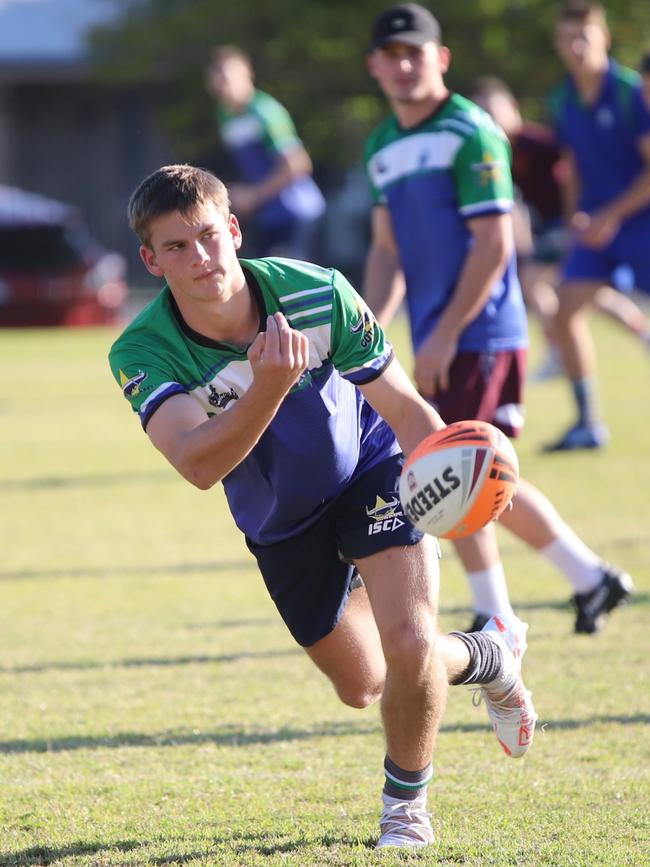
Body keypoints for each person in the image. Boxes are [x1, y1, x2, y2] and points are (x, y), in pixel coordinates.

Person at [109, 163, 538, 850]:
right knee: (365, 682)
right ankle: (485, 655)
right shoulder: (142, 349)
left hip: (368, 467)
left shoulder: (316, 291)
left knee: (407, 642)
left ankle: (404, 808)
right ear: (150, 260)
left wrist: (458, 483)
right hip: (278, 520)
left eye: (209, 236)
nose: (201, 258)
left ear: (235, 230)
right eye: (177, 247)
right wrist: (269, 384)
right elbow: (196, 462)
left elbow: (405, 408)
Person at [363, 4, 633, 634]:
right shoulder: (381, 145)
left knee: (454, 468)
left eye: (416, 52)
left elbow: (494, 245)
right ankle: (590, 578)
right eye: (391, 54)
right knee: (481, 471)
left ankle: (497, 614)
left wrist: (447, 334)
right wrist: (371, 331)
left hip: (480, 333)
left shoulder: (471, 130)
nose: (404, 65)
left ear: (442, 58)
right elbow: (384, 249)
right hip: (437, 334)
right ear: (374, 65)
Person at [470, 75, 650, 383]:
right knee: (588, 293)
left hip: (573, 223)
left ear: (512, 107)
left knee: (534, 281)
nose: (491, 121)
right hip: (559, 228)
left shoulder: (539, 143)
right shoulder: (494, 152)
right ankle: (641, 331)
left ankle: (556, 349)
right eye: (482, 115)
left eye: (494, 111)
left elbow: (575, 166)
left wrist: (577, 215)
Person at [546, 1, 650, 451]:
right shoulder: (562, 99)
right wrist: (576, 218)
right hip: (595, 229)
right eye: (568, 38)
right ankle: (588, 423)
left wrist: (612, 215)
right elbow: (572, 167)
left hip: (640, 220)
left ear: (604, 38)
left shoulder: (632, 92)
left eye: (584, 37)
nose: (576, 47)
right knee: (564, 313)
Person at [205, 45, 325, 260]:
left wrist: (253, 195)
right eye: (215, 77)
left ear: (247, 74)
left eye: (226, 76)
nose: (221, 83)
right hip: (266, 216)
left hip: (294, 212)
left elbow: (297, 164)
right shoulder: (225, 117)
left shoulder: (265, 112)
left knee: (291, 287)